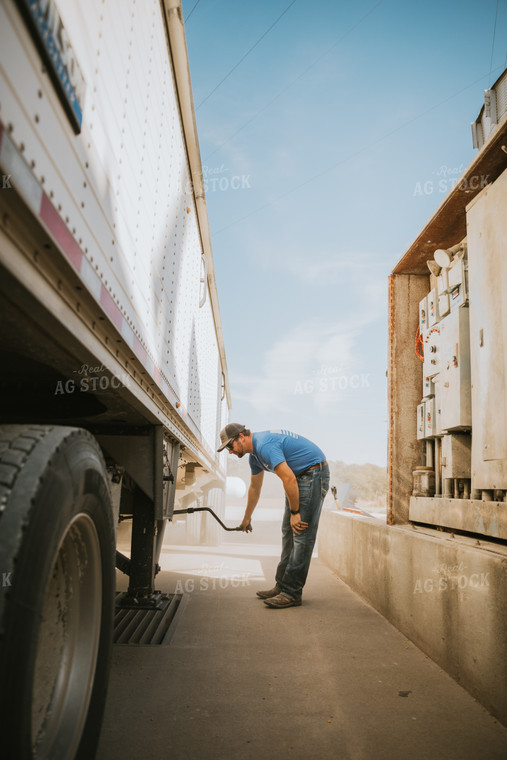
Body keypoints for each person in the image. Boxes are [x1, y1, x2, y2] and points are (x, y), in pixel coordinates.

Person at [217, 423, 329, 609]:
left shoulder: (264, 446)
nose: (229, 451)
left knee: (301, 534)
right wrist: (247, 518)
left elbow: (289, 478)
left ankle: (292, 593)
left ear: (241, 437)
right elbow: (254, 488)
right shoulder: (255, 457)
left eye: (230, 446)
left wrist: (295, 513)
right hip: (300, 476)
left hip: (313, 473)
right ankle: (282, 586)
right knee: (287, 532)